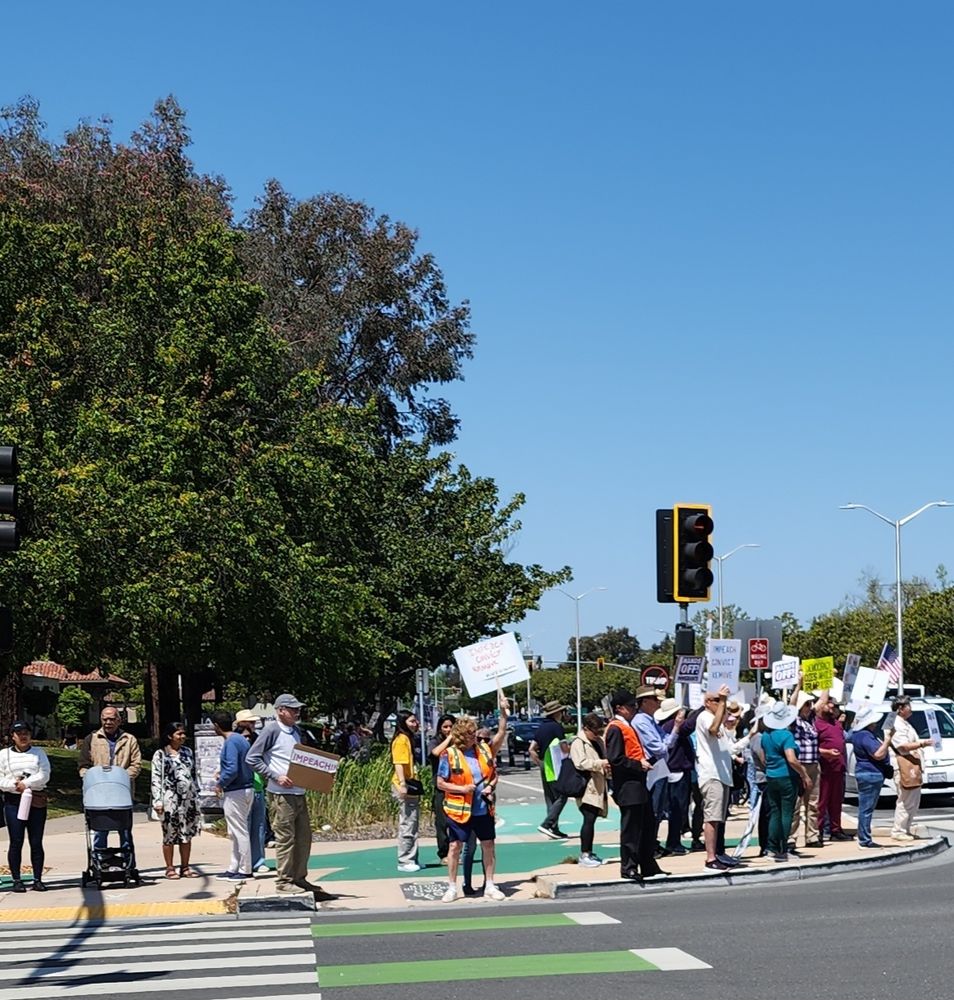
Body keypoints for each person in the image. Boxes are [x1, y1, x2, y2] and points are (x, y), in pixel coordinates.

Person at [246, 693, 328, 896]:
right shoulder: (272, 730)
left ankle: (299, 877)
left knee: (303, 837)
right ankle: (284, 880)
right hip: (281, 793)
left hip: (299, 791)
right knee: (285, 837)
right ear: (280, 710)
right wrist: (274, 776)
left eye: (297, 709)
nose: (296, 712)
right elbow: (252, 758)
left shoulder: (296, 731)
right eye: (292, 709)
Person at [437, 690, 510, 902]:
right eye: (470, 735)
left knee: (488, 844)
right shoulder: (449, 754)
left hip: (483, 807)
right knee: (455, 846)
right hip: (459, 809)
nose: (473, 738)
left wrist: (490, 786)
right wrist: (461, 789)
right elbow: (440, 783)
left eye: (474, 734)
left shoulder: (484, 750)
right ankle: (452, 886)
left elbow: (493, 775)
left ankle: (489, 884)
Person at [604, 690, 664, 880]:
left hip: (638, 784)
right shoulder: (615, 728)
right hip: (628, 786)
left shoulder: (627, 726)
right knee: (631, 829)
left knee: (646, 826)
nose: (634, 710)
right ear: (619, 709)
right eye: (631, 707)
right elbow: (616, 758)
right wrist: (639, 764)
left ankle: (648, 865)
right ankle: (628, 867)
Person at [78, 706, 142, 867]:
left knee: (125, 830)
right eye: (105, 719)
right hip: (98, 794)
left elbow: (136, 764)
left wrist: (121, 778)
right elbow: (83, 765)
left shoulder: (129, 739)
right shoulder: (92, 738)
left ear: (119, 720)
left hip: (122, 793)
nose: (108, 722)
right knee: (100, 829)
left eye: (112, 719)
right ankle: (100, 861)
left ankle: (128, 863)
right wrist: (90, 778)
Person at [0, 720, 51, 892]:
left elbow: (44, 774)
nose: (23, 736)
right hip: (13, 801)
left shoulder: (39, 753)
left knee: (36, 841)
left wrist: (26, 784)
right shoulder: (3, 754)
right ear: (13, 736)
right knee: (16, 841)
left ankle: (37, 879)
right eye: (19, 733)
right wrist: (14, 786)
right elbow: (0, 778)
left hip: (35, 800)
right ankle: (17, 879)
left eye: (26, 733)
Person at [631, 686, 684, 855]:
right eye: (655, 700)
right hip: (653, 766)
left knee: (659, 808)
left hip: (659, 766)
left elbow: (666, 743)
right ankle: (648, 845)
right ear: (645, 701)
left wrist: (673, 731)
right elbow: (660, 747)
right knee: (653, 808)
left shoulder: (650, 720)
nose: (657, 703)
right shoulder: (641, 721)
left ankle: (651, 842)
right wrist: (676, 728)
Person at [694, 685, 740, 871]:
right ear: (707, 702)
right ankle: (710, 858)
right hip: (711, 774)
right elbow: (712, 729)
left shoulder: (718, 721)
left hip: (722, 775)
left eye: (723, 700)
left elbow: (729, 748)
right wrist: (722, 700)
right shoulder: (705, 717)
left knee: (719, 818)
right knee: (712, 817)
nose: (722, 703)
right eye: (717, 700)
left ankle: (718, 853)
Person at [759, 701, 812, 862]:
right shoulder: (786, 736)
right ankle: (782, 848)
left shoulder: (766, 736)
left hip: (771, 776)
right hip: (787, 777)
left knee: (775, 812)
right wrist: (804, 774)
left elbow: (764, 758)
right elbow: (792, 759)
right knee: (787, 813)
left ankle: (771, 847)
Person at [150, 722, 201, 879]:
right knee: (169, 834)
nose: (182, 737)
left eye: (183, 733)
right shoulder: (161, 755)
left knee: (187, 833)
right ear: (170, 736)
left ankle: (185, 867)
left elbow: (194, 773)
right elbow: (156, 778)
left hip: (188, 799)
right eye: (179, 734)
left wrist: (197, 794)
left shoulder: (187, 752)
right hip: (169, 799)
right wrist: (157, 801)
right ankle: (170, 867)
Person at [212, 709, 255, 881]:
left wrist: (220, 783)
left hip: (235, 790)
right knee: (236, 830)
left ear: (216, 726)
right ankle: (234, 867)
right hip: (246, 788)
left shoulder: (230, 742)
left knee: (239, 830)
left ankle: (245, 869)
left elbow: (232, 769)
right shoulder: (241, 740)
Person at [849, 706, 894, 849]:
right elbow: (878, 754)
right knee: (866, 809)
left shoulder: (857, 734)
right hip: (870, 774)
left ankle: (865, 837)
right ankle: (864, 839)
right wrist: (887, 740)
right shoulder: (865, 736)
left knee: (866, 808)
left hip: (866, 773)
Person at [569, 712, 610, 867]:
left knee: (591, 819)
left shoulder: (598, 741)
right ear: (586, 729)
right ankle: (585, 854)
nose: (597, 734)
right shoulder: (578, 743)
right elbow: (580, 762)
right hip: (586, 786)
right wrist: (600, 763)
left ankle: (589, 853)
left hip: (598, 783)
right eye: (595, 731)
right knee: (589, 819)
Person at [889, 696, 932, 841]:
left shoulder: (904, 723)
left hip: (912, 765)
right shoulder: (896, 724)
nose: (910, 708)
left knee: (913, 801)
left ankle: (906, 829)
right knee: (905, 800)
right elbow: (902, 746)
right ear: (900, 709)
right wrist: (923, 743)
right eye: (908, 705)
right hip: (902, 766)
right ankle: (898, 831)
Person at [656, 697, 694, 856]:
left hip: (669, 770)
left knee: (668, 809)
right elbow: (690, 726)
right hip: (677, 771)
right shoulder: (674, 725)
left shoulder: (662, 726)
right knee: (678, 809)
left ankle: (670, 842)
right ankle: (673, 842)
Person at [529, 700, 570, 840]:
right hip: (555, 765)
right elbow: (564, 748)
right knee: (562, 795)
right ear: (557, 713)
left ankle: (553, 828)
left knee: (550, 798)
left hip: (544, 765)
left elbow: (531, 749)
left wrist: (539, 762)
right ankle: (548, 824)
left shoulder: (541, 728)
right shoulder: (556, 727)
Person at [235, 709, 270, 872]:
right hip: (242, 788)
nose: (252, 725)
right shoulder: (234, 741)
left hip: (258, 787)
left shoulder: (258, 740)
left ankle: (258, 861)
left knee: (259, 826)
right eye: (249, 722)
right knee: (244, 827)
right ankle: (244, 862)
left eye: (254, 722)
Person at [789, 684, 823, 848]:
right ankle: (791, 837)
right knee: (796, 803)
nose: (809, 707)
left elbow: (822, 703)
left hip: (814, 764)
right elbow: (791, 705)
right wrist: (799, 684)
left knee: (813, 803)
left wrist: (826, 685)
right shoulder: (794, 721)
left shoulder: (811, 722)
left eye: (810, 704)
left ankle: (812, 836)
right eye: (806, 704)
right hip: (799, 765)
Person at [391, 710, 423, 873]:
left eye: (415, 720)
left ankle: (413, 857)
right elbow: (398, 763)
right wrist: (403, 784)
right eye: (411, 721)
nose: (415, 723)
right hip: (404, 785)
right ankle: (405, 860)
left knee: (413, 822)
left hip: (410, 783)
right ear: (403, 722)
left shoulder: (408, 739)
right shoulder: (401, 739)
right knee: (407, 823)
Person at [816, 698, 851, 841]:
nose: (832, 706)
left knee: (836, 801)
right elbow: (811, 747)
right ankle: (818, 831)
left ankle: (835, 829)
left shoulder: (837, 724)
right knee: (821, 802)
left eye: (833, 705)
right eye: (828, 704)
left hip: (838, 768)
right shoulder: (816, 724)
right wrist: (826, 752)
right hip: (824, 769)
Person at [428, 714, 456, 866]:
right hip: (441, 787)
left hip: (457, 786)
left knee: (457, 820)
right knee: (442, 821)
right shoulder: (435, 742)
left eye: (451, 726)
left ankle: (455, 851)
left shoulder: (458, 743)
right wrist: (448, 740)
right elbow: (435, 753)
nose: (448, 729)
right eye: (445, 727)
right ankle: (443, 852)